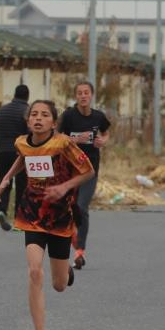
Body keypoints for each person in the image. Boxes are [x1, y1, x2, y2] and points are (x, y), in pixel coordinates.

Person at [0, 100, 94, 330]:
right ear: (28, 121)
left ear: (53, 122)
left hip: (60, 217)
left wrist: (64, 187)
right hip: (32, 214)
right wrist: (6, 179)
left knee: (59, 285)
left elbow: (88, 171)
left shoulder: (63, 144)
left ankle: (66, 271)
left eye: (44, 115)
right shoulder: (22, 142)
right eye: (34, 114)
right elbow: (24, 157)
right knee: (35, 271)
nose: (38, 118)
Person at [57, 81, 110, 270]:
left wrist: (103, 141)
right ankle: (73, 237)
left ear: (91, 95)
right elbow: (56, 136)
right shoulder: (68, 116)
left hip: (90, 170)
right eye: (79, 93)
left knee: (82, 207)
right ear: (76, 96)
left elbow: (106, 132)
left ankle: (80, 251)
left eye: (86, 92)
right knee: (68, 208)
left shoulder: (98, 116)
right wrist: (75, 139)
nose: (83, 96)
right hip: (69, 170)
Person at [0, 84, 30, 231]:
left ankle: (2, 210)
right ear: (27, 96)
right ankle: (19, 217)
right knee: (22, 184)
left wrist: (0, 146)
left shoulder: (3, 110)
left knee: (4, 181)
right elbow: (30, 134)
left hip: (3, 152)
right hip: (21, 153)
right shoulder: (27, 112)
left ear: (15, 94)